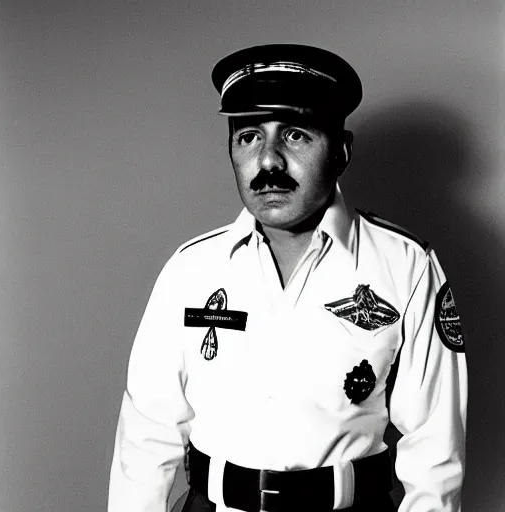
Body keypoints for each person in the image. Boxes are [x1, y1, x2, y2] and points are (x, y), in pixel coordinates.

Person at [108, 44, 467, 512]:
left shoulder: (407, 267)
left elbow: (435, 455)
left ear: (341, 151)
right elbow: (146, 439)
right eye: (249, 137)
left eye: (296, 135)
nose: (269, 162)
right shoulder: (190, 270)